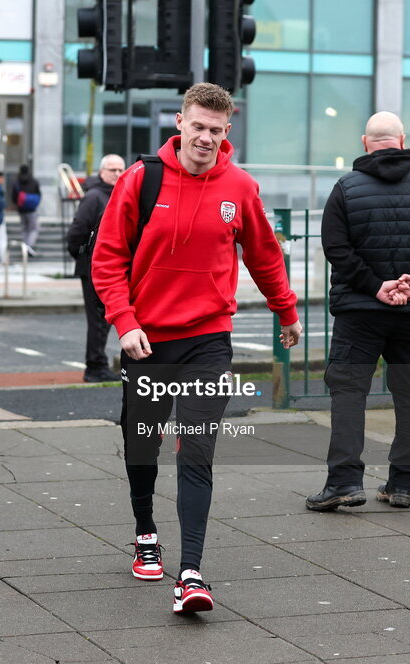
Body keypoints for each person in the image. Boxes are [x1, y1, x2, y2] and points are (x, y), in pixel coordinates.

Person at [92, 82, 302, 614]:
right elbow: (107, 258)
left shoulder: (241, 188)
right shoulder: (142, 179)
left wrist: (286, 310)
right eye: (198, 127)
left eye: (216, 130)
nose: (206, 137)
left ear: (227, 132)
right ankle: (145, 532)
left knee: (197, 450)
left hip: (209, 341)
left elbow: (264, 255)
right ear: (181, 124)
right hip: (147, 342)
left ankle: (191, 573)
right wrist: (125, 320)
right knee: (141, 442)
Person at [306, 111, 410, 512]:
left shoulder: (346, 188)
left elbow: (336, 249)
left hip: (359, 311)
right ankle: (402, 484)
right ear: (402, 140)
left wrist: (374, 286)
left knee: (348, 391)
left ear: (365, 143)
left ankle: (344, 481)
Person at [67, 154, 124, 383]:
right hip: (92, 269)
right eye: (113, 170)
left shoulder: (117, 194)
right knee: (98, 320)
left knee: (106, 319)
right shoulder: (94, 197)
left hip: (109, 268)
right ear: (102, 172)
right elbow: (76, 233)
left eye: (121, 170)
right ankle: (94, 366)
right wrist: (86, 258)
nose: (118, 174)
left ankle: (98, 363)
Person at [10, 164, 41, 256]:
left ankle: (25, 246)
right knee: (34, 228)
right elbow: (38, 194)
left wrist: (18, 204)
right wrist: (34, 203)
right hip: (32, 209)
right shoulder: (34, 181)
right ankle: (29, 246)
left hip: (21, 209)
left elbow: (14, 197)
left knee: (24, 228)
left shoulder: (17, 182)